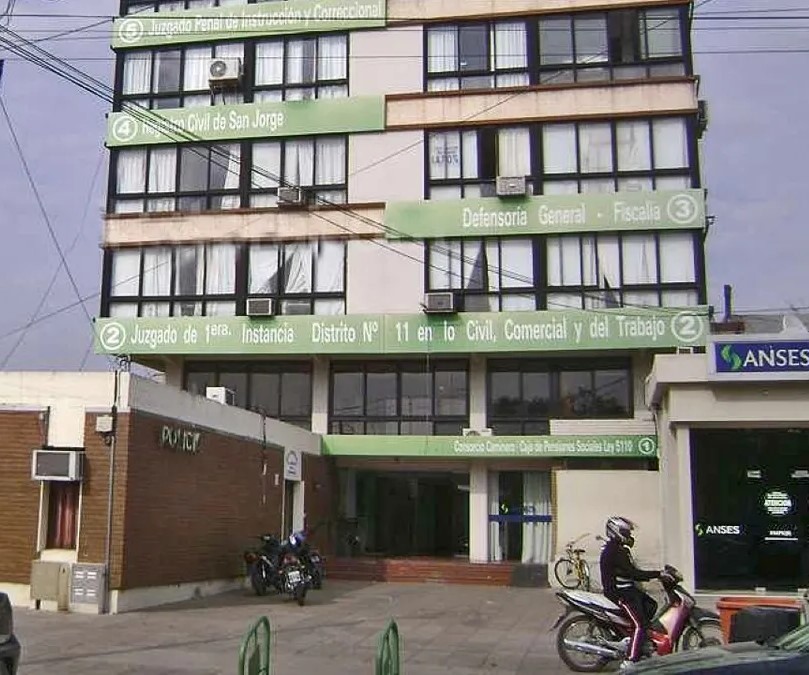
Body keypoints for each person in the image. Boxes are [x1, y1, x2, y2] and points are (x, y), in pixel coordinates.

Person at [599, 516, 662, 669]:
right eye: (626, 532)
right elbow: (633, 573)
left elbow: (631, 573)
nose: (629, 536)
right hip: (619, 594)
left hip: (628, 590)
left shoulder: (620, 549)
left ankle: (636, 640)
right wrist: (658, 574)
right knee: (640, 624)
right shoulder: (614, 551)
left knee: (651, 605)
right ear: (616, 532)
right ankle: (631, 660)